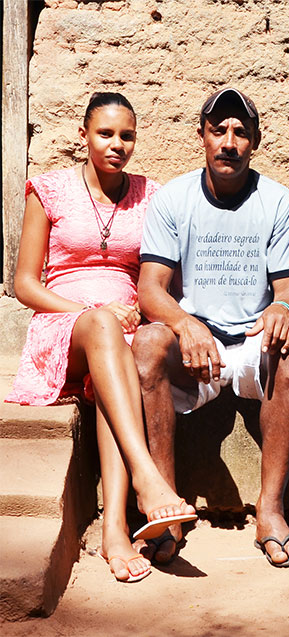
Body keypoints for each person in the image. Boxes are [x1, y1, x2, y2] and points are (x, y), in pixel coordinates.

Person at [6, 92, 197, 583]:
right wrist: (90, 310)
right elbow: (25, 284)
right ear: (83, 136)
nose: (117, 145)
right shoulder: (46, 191)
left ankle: (115, 528)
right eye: (105, 134)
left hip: (120, 333)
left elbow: (160, 274)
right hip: (62, 326)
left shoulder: (151, 195)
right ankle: (148, 479)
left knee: (111, 366)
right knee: (102, 327)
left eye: (127, 135)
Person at [132, 87, 289, 568]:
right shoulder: (174, 198)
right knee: (148, 341)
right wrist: (184, 323)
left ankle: (271, 511)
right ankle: (166, 509)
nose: (229, 141)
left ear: (255, 140)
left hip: (252, 344)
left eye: (240, 132)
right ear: (203, 137)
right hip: (197, 351)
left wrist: (283, 311)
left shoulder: (277, 201)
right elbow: (151, 289)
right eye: (219, 130)